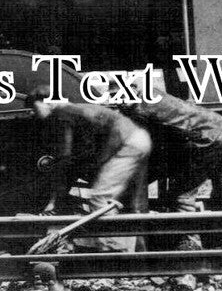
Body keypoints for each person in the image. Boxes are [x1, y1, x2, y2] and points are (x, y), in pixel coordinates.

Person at [24, 85, 151, 250]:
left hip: (127, 144)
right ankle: (136, 253)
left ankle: (114, 252)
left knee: (100, 198)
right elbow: (77, 156)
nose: (31, 113)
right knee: (131, 201)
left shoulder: (62, 114)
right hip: (136, 139)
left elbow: (66, 160)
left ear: (47, 103)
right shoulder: (72, 110)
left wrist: (54, 201)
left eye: (33, 108)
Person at [119, 89, 222, 249]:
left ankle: (190, 250)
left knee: (182, 196)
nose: (119, 104)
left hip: (207, 138)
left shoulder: (138, 108)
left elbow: (147, 146)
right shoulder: (154, 94)